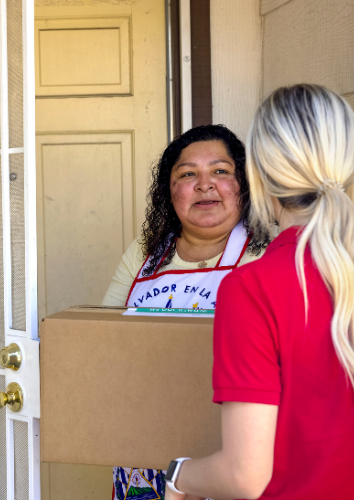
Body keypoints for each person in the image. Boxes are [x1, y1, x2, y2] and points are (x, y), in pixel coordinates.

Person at [162, 84, 354, 500]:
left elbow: (243, 477)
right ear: (353, 165)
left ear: (259, 177)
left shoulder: (251, 289)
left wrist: (179, 475)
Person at [102, 124, 270, 500]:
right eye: (188, 174)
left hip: (233, 445)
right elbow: (104, 336)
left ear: (243, 184)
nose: (205, 184)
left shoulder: (268, 254)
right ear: (170, 191)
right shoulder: (144, 255)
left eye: (221, 171)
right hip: (143, 444)